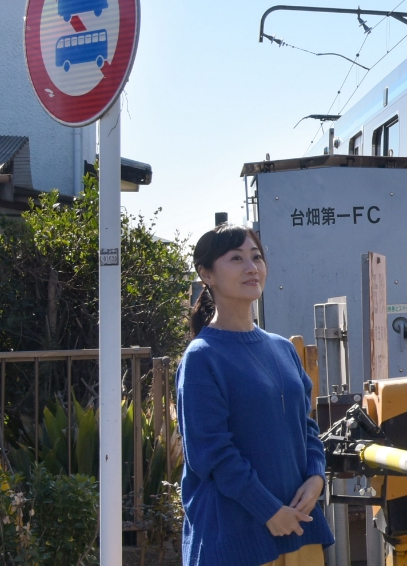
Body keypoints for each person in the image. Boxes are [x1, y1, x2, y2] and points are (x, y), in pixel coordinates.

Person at [177, 224, 333, 565]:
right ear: (206, 274)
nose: (252, 267)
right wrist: (269, 511)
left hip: (296, 529)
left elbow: (304, 426)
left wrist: (316, 476)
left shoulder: (282, 348)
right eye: (236, 258)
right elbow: (213, 455)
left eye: (257, 257)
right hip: (235, 539)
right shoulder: (202, 357)